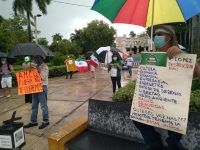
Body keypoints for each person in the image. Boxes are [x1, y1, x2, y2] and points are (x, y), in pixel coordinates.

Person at [134, 25, 200, 150]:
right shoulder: (151, 56)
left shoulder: (180, 53)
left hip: (174, 103)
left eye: (160, 34)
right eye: (155, 35)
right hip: (154, 100)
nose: (156, 37)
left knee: (175, 128)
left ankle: (174, 144)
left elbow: (197, 73)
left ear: (169, 37)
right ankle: (154, 142)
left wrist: (182, 54)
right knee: (137, 117)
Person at [24, 55, 49, 129]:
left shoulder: (45, 67)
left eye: (38, 57)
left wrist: (34, 70)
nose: (36, 59)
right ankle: (33, 121)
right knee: (34, 106)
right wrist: (30, 67)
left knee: (43, 106)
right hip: (34, 88)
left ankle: (46, 121)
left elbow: (40, 77)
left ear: (42, 59)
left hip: (42, 88)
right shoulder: (34, 66)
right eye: (35, 58)